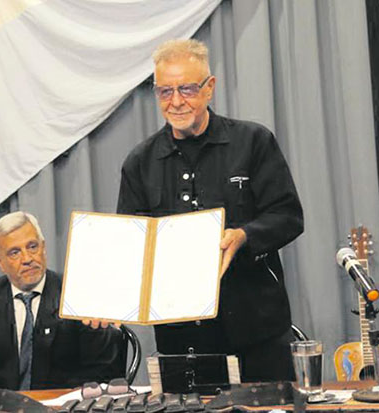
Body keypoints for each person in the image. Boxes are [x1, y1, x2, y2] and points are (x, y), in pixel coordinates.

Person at [116, 39, 304, 382]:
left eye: (187, 89)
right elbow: (130, 247)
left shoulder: (253, 141)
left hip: (257, 333)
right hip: (181, 340)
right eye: (164, 92)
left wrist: (244, 235)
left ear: (209, 88)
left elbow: (288, 216)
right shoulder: (139, 162)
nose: (176, 102)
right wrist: (108, 301)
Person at [0, 211, 125, 391]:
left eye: (32, 247)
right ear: (0, 262)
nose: (27, 259)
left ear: (44, 247)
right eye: (15, 252)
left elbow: (102, 369)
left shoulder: (75, 292)